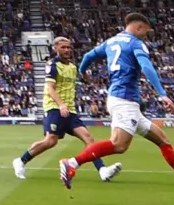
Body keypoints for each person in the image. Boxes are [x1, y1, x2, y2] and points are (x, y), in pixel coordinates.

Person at [60, 12, 174, 201]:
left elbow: (87, 56)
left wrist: (82, 72)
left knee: (163, 141)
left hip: (122, 100)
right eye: (145, 32)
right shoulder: (135, 43)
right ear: (139, 27)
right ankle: (72, 163)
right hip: (124, 100)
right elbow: (147, 67)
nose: (145, 36)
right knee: (119, 145)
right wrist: (162, 94)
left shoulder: (110, 42)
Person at [15, 37, 112, 181]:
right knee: (50, 141)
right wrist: (61, 104)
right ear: (56, 48)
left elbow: (82, 80)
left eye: (69, 47)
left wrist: (86, 76)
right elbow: (50, 88)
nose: (67, 50)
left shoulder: (72, 67)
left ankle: (102, 170)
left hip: (70, 109)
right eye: (63, 47)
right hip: (54, 106)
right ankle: (21, 161)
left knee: (88, 138)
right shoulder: (52, 65)